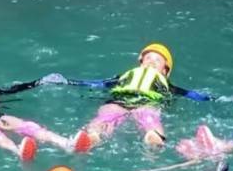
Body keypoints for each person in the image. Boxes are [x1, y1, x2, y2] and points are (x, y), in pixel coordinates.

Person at [51, 43, 210, 150]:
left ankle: (154, 137)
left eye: (157, 60)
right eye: (148, 58)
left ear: (165, 71)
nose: (151, 61)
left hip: (147, 101)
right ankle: (92, 137)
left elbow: (189, 94)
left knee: (149, 116)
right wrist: (68, 82)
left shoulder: (167, 84)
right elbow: (98, 84)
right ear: (141, 62)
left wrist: (209, 99)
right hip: (120, 100)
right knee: (106, 114)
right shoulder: (124, 77)